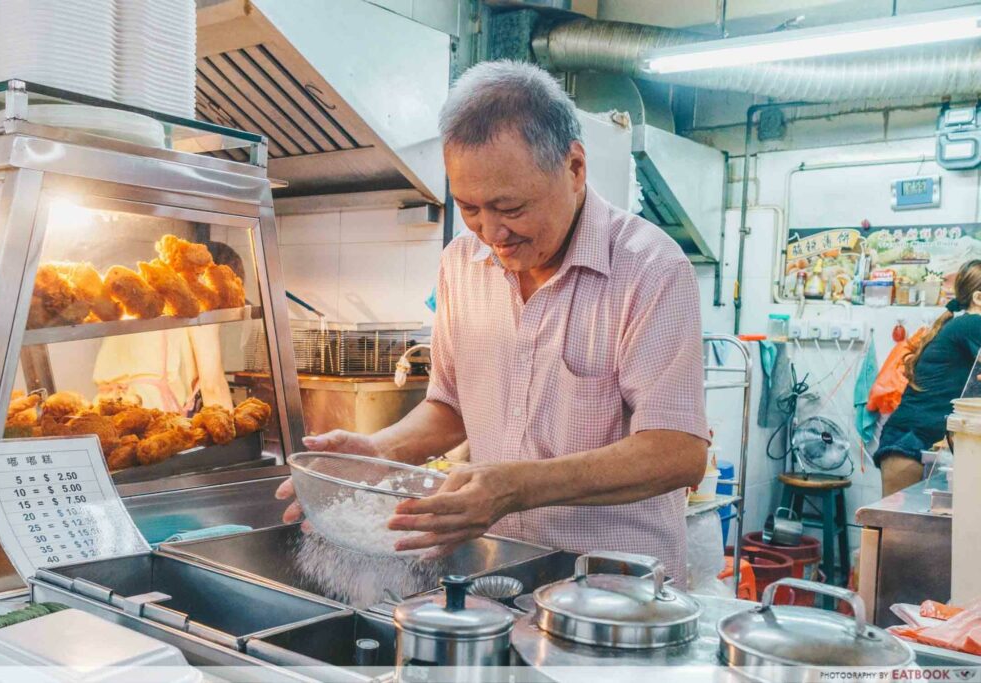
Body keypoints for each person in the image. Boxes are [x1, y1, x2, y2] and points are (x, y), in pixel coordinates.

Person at [276, 61, 709, 581]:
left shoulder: (649, 268)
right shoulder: (461, 264)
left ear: (574, 168)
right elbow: (450, 406)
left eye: (510, 207)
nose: (491, 232)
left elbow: (677, 453)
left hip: (612, 588)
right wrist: (380, 453)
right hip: (493, 568)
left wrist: (514, 487)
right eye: (470, 208)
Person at [93, 241, 246, 413]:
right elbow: (212, 385)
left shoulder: (148, 299)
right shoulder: (203, 306)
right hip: (149, 409)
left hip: (105, 406)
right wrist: (230, 430)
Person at [874, 260, 981, 496]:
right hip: (910, 441)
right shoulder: (972, 324)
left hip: (921, 438)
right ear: (978, 298)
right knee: (899, 529)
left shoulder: (959, 325)